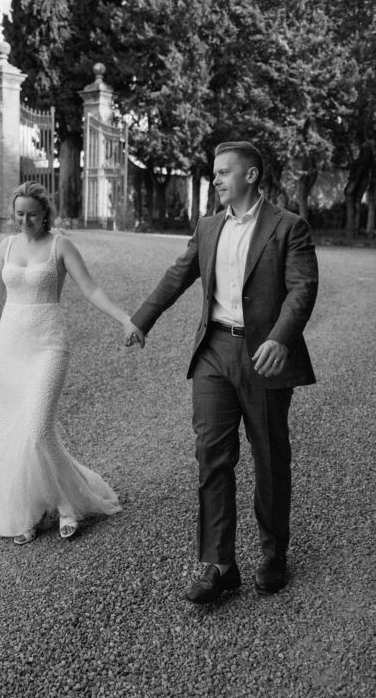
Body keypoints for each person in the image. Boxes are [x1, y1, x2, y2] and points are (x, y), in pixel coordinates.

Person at [126, 141, 318, 603]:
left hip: (264, 355)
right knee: (212, 457)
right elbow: (178, 274)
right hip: (213, 350)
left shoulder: (288, 227)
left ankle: (273, 554)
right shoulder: (208, 227)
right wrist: (141, 319)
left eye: (223, 172)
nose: (216, 180)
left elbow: (302, 288)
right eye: (215, 173)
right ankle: (219, 564)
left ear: (250, 176)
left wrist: (280, 337)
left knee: (270, 457)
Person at [0, 181, 135, 545]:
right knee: (17, 432)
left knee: (38, 430)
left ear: (45, 213)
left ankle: (68, 503)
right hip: (10, 347)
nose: (25, 220)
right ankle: (31, 509)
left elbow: (91, 289)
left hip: (48, 345)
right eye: (19, 214)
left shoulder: (61, 246)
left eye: (32, 213)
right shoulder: (7, 245)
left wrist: (125, 318)